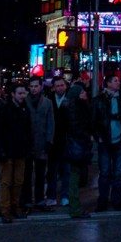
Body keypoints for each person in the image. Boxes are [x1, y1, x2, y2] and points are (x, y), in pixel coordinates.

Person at [92, 74, 121, 211]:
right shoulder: (99, 100)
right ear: (108, 83)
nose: (118, 83)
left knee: (119, 172)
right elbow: (94, 121)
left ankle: (117, 200)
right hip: (105, 140)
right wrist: (98, 137)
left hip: (120, 140)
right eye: (115, 81)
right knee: (105, 172)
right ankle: (102, 200)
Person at [0, 83, 31, 223]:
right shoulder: (5, 109)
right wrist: (2, 150)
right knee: (6, 182)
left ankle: (15, 206)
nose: (22, 96)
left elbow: (28, 129)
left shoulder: (25, 108)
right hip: (8, 151)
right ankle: (5, 210)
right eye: (20, 93)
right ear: (13, 94)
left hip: (20, 150)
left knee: (18, 181)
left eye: (24, 93)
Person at [24, 76, 54, 211]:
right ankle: (26, 200)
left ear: (41, 87)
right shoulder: (24, 101)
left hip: (42, 142)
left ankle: (40, 200)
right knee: (27, 174)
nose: (34, 88)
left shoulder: (47, 102)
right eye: (32, 86)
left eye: (36, 86)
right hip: (27, 143)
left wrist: (49, 140)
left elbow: (50, 123)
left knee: (41, 174)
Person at [64, 83, 93, 219]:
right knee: (75, 177)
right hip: (77, 146)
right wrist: (87, 136)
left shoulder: (74, 107)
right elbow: (77, 128)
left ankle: (75, 205)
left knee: (75, 176)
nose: (85, 94)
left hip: (77, 145)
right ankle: (74, 207)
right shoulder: (76, 109)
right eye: (82, 93)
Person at [46, 76, 69, 207]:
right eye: (57, 86)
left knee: (66, 170)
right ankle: (51, 195)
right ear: (53, 87)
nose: (60, 88)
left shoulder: (70, 99)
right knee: (52, 171)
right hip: (53, 140)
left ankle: (65, 195)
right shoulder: (48, 100)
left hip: (66, 139)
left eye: (62, 85)